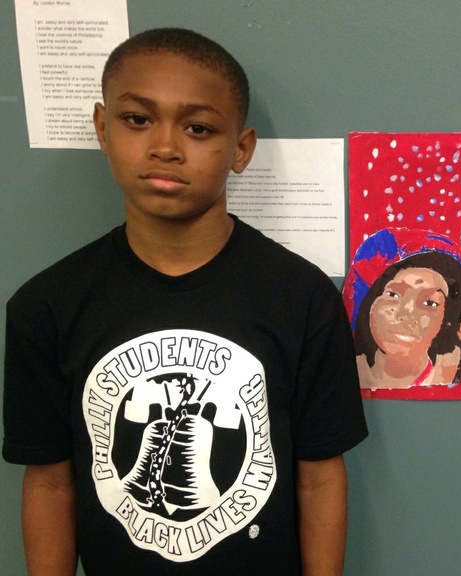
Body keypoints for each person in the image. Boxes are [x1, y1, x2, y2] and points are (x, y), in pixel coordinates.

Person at [2, 28, 367, 576]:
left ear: (241, 149)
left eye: (198, 128)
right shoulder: (46, 307)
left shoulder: (302, 298)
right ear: (102, 128)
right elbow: (50, 481)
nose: (166, 147)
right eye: (137, 119)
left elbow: (319, 477)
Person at [343, 228, 461, 390]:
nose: (405, 313)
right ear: (370, 304)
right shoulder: (343, 372)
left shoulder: (445, 375)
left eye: (429, 303)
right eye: (393, 294)